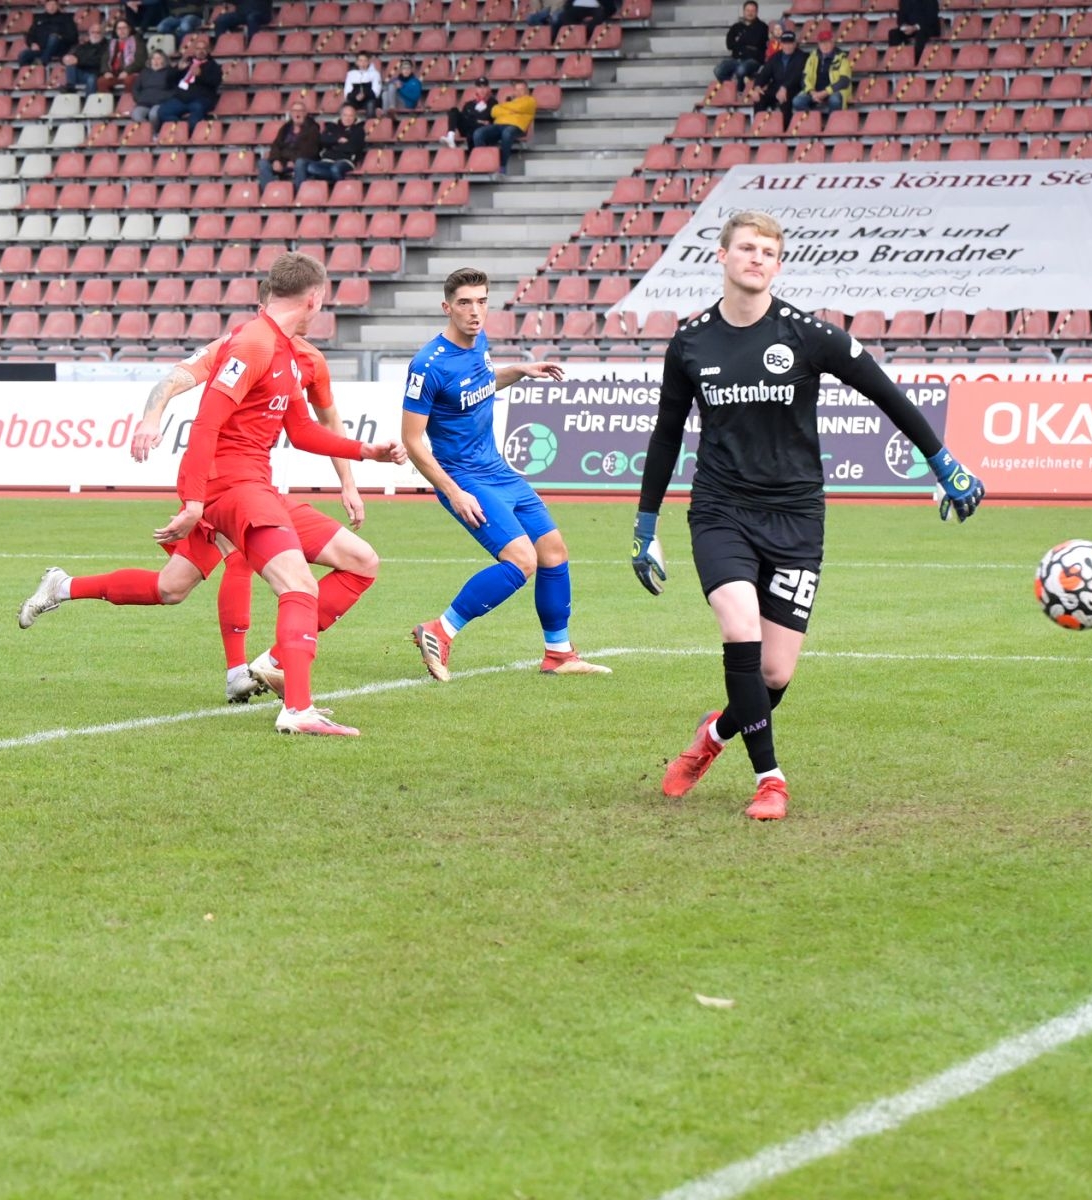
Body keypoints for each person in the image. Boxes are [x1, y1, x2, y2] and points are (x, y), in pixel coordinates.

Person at [630, 210, 984, 820]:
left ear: (778, 264)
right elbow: (666, 435)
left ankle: (713, 735)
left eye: (768, 251)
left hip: (795, 516)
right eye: (747, 248)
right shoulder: (690, 343)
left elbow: (886, 393)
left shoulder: (807, 334)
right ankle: (770, 781)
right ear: (722, 256)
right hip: (720, 509)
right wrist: (646, 525)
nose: (757, 258)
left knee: (773, 673)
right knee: (739, 626)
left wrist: (942, 462)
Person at [17, 254, 405, 737]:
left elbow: (303, 430)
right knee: (299, 585)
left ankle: (62, 586)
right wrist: (195, 502)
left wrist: (365, 452)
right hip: (231, 486)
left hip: (254, 485)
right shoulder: (252, 344)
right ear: (315, 299)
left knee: (355, 561)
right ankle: (294, 703)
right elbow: (206, 423)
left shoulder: (291, 353)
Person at [125, 307, 369, 704]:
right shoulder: (243, 344)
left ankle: (63, 587)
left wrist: (348, 482)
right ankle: (247, 673)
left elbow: (323, 423)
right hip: (220, 479)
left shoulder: (308, 360)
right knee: (237, 561)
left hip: (257, 480)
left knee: (172, 586)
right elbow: (175, 381)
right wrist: (152, 418)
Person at [402, 268, 611, 683]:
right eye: (464, 303)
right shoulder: (428, 365)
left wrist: (519, 371)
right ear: (447, 307)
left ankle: (559, 653)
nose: (475, 311)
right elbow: (412, 441)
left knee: (553, 551)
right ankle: (441, 630)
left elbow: (479, 386)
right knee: (522, 559)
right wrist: (453, 492)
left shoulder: (479, 341)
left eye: (481, 301)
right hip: (464, 477)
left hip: (497, 470)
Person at [153, 36, 222, 129]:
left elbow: (215, 82)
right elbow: (169, 80)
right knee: (162, 112)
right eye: (198, 49)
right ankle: (181, 128)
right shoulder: (187, 61)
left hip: (200, 100)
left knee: (194, 120)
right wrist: (177, 69)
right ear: (194, 50)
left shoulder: (213, 66)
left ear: (208, 50)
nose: (201, 51)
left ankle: (188, 133)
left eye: (204, 49)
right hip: (181, 99)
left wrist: (200, 75)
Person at [471, 80, 534, 171]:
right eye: (517, 90)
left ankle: (502, 165)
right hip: (499, 125)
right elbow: (494, 111)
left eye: (522, 89)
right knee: (478, 133)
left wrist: (504, 107)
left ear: (527, 90)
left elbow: (520, 107)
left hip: (517, 126)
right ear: (514, 91)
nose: (519, 92)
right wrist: (511, 109)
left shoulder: (531, 100)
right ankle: (485, 162)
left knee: (507, 133)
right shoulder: (509, 102)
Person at [751, 28, 806, 129]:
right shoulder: (776, 57)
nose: (788, 46)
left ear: (795, 44)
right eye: (785, 43)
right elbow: (764, 73)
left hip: (793, 88)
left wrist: (785, 87)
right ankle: (759, 129)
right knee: (759, 98)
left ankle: (785, 130)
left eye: (790, 43)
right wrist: (757, 86)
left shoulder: (801, 56)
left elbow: (797, 75)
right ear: (781, 44)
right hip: (776, 88)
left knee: (785, 99)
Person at [259, 99, 321, 187]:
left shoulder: (313, 128)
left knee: (299, 163)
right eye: (294, 111)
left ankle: (298, 192)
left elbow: (310, 150)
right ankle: (269, 191)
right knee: (263, 163)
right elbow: (276, 145)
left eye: (300, 111)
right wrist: (276, 160)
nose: (297, 113)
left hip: (302, 160)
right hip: (284, 160)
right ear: (291, 113)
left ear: (305, 113)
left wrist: (293, 160)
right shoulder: (285, 128)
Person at [793, 28, 855, 114]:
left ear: (833, 42)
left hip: (833, 91)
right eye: (822, 43)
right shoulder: (812, 57)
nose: (825, 46)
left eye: (827, 42)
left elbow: (844, 81)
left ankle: (832, 121)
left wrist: (824, 93)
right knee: (797, 101)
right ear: (818, 44)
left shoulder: (842, 57)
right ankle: (813, 120)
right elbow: (804, 78)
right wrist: (812, 92)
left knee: (834, 100)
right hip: (815, 91)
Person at [715, 0, 770, 91]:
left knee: (741, 70)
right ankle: (732, 88)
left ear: (757, 12)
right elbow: (729, 45)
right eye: (748, 10)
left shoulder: (763, 27)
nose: (750, 13)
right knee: (718, 70)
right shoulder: (736, 27)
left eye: (752, 11)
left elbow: (758, 43)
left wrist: (740, 43)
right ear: (743, 11)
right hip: (736, 59)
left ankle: (740, 92)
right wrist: (747, 46)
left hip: (754, 60)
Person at [305, 103, 366, 184]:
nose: (347, 118)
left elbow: (354, 148)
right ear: (341, 116)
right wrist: (337, 140)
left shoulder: (359, 130)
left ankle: (340, 188)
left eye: (350, 116)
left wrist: (333, 146)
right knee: (311, 168)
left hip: (345, 161)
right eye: (345, 115)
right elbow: (323, 140)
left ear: (355, 117)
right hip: (328, 160)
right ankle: (337, 179)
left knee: (335, 169)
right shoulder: (331, 127)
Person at [17, 0, 79, 67]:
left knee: (54, 37)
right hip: (41, 49)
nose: (51, 7)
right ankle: (29, 72)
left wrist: (60, 37)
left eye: (54, 5)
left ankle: (42, 63)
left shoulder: (66, 18)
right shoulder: (39, 18)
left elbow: (73, 37)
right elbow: (30, 35)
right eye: (49, 5)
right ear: (45, 6)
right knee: (23, 55)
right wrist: (32, 43)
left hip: (60, 49)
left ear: (57, 6)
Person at [62, 19, 109, 96]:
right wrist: (65, 59)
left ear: (103, 34)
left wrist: (78, 61)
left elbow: (98, 62)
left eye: (98, 32)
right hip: (81, 73)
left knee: (91, 78)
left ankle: (88, 100)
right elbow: (73, 56)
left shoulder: (107, 46)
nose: (95, 34)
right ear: (89, 33)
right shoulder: (83, 46)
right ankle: (70, 91)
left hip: (96, 73)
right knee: (70, 65)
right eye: (93, 32)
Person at [442, 79, 491, 148]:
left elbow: (489, 121)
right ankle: (450, 137)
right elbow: (465, 119)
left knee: (473, 132)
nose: (482, 90)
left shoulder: (493, 102)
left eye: (484, 87)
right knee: (454, 110)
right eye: (479, 87)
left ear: (488, 88)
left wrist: (476, 120)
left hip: (481, 130)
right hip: (468, 129)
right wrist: (477, 120)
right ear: (476, 89)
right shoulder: (469, 104)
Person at [129, 49, 176, 121]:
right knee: (136, 115)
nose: (155, 61)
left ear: (164, 60)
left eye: (158, 58)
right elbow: (135, 89)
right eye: (153, 58)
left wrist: (163, 98)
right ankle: (147, 128)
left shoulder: (169, 72)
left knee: (153, 115)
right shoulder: (144, 72)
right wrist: (139, 98)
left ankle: (155, 128)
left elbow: (175, 90)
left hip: (160, 103)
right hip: (144, 103)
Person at [343, 51, 382, 116]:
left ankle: (370, 122)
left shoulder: (375, 74)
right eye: (360, 60)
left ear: (369, 62)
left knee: (371, 104)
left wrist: (365, 95)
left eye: (365, 61)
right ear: (357, 62)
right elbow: (347, 92)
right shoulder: (351, 74)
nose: (363, 63)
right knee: (345, 107)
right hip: (355, 100)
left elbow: (376, 92)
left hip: (369, 100)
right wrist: (356, 97)